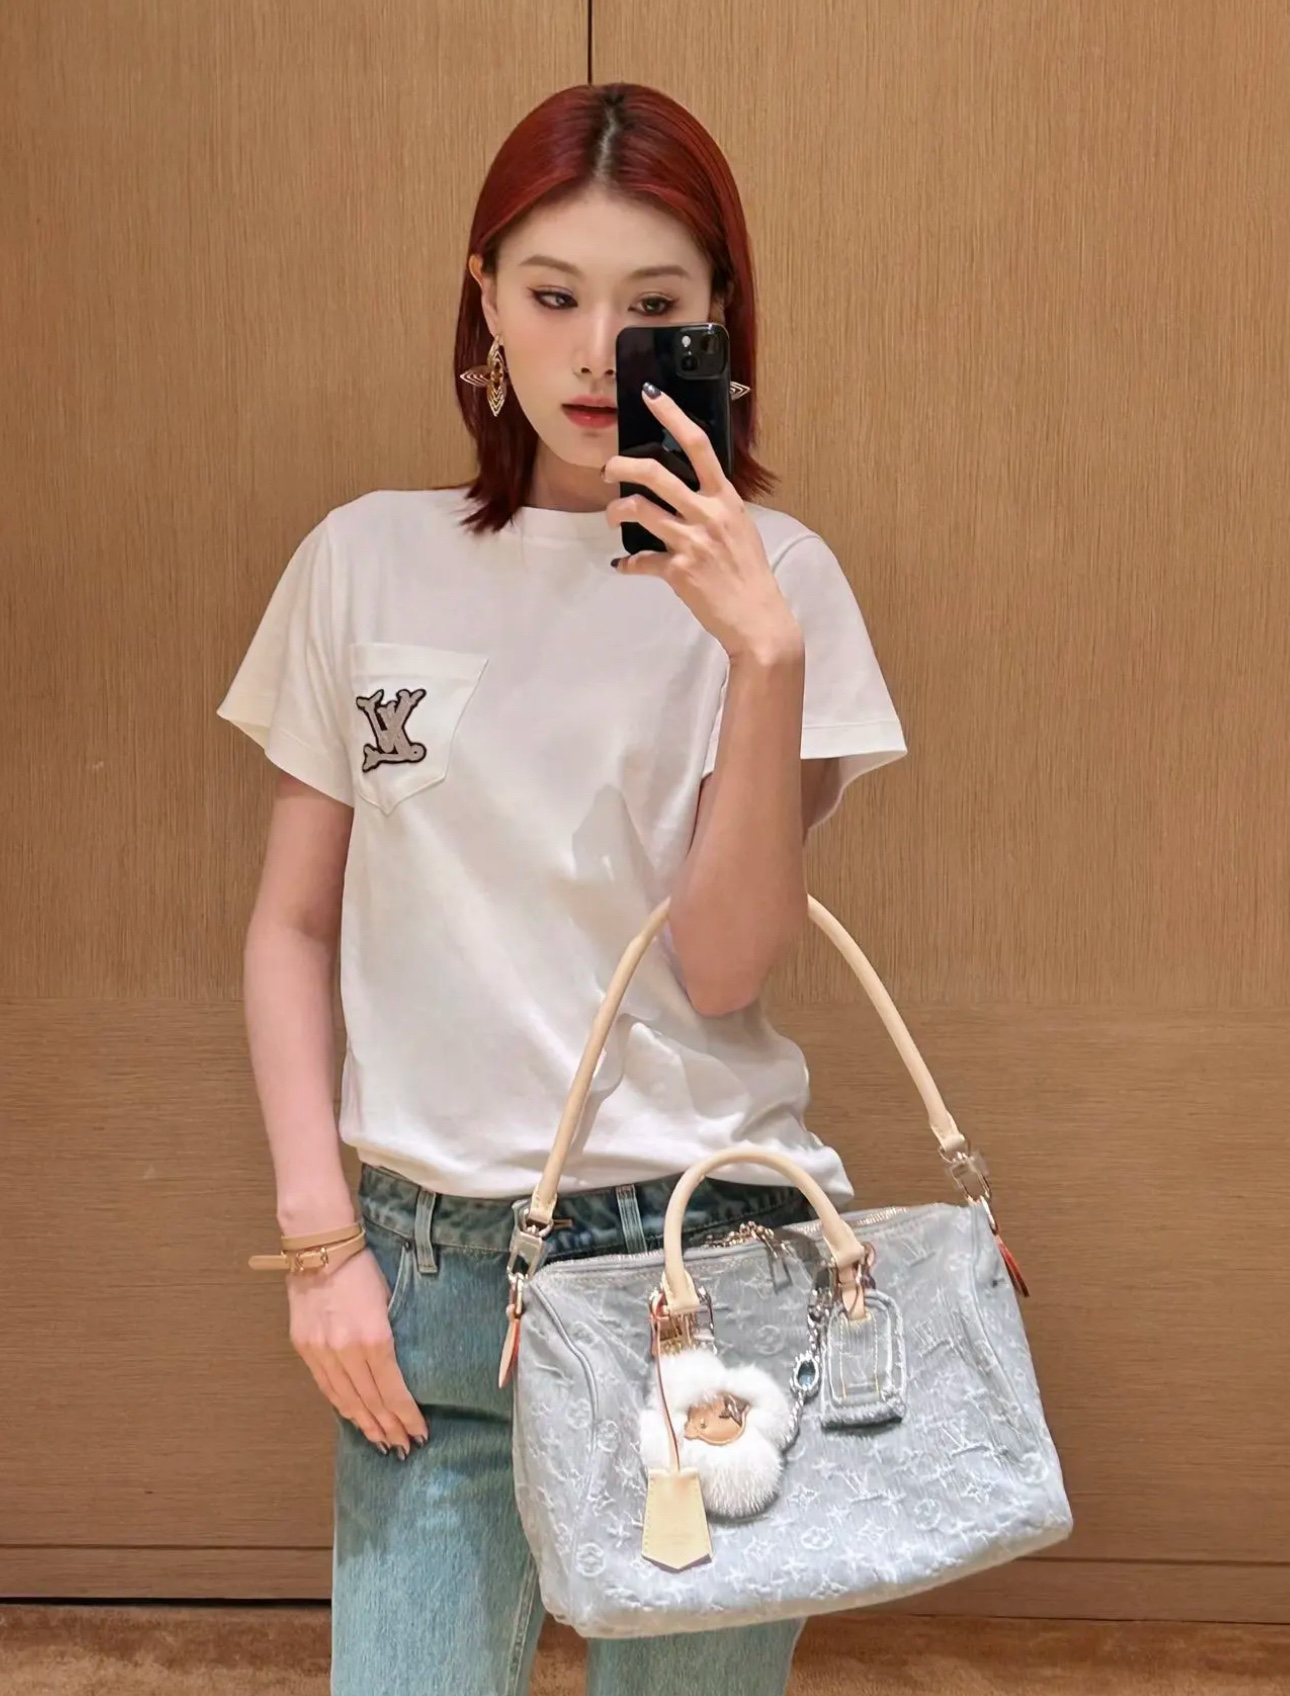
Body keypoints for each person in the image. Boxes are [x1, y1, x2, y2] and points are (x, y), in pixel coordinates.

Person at [219, 81, 906, 1696]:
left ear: (718, 315)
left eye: (652, 305)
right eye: (552, 296)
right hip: (428, 1267)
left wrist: (759, 657)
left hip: (701, 1258)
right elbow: (293, 925)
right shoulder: (363, 560)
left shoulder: (783, 588)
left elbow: (723, 967)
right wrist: (321, 1247)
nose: (599, 351)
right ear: (484, 299)